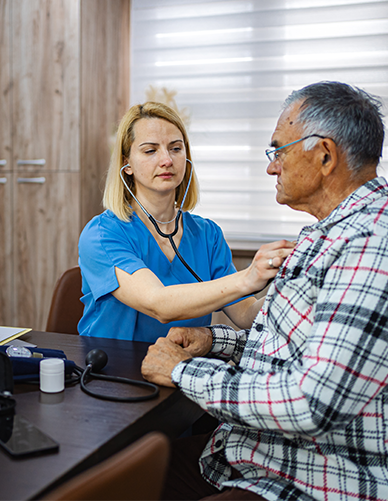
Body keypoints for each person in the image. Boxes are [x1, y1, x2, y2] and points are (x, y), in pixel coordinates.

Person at [141, 81, 388, 500]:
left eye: (278, 151)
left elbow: (312, 402)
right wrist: (212, 341)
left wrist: (184, 371)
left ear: (324, 155)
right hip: (256, 451)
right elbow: (288, 347)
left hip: (308, 477)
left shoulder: (369, 243)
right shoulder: (324, 234)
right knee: (122, 473)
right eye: (150, 150)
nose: (272, 167)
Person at [78, 102, 295, 342]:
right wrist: (248, 277)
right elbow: (159, 304)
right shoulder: (103, 234)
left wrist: (293, 287)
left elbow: (245, 314)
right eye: (150, 151)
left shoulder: (207, 234)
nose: (167, 160)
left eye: (175, 148)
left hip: (184, 370)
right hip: (112, 371)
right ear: (125, 164)